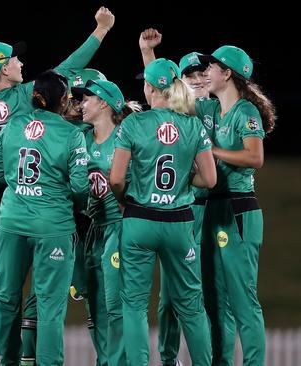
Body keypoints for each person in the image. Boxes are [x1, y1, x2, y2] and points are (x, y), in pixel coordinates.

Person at [0, 7, 115, 366]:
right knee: (8, 292)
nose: (20, 62)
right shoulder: (25, 98)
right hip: (4, 205)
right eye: (14, 58)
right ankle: (10, 360)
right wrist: (101, 31)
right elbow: (70, 66)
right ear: (1, 68)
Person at [0, 69, 89, 366]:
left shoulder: (12, 126)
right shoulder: (72, 134)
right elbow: (80, 188)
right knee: (50, 307)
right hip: (53, 227)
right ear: (62, 102)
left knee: (3, 296)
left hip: (12, 223)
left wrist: (22, 185)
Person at [109, 58, 216, 366]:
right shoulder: (193, 125)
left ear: (149, 88)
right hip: (179, 223)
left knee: (134, 305)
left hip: (140, 219)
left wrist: (124, 196)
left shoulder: (133, 124)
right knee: (191, 306)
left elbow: (116, 178)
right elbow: (209, 179)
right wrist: (184, 179)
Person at [138, 28, 235, 366]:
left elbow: (158, 89)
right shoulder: (188, 111)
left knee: (213, 295)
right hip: (185, 210)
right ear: (179, 81)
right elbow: (158, 86)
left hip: (210, 209)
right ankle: (169, 358)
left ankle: (213, 360)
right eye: (188, 74)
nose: (195, 78)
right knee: (171, 299)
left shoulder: (218, 108)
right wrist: (148, 54)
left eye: (200, 72)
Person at [19, 68, 106, 366]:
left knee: (100, 302)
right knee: (40, 299)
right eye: (74, 97)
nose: (79, 104)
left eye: (87, 97)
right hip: (59, 226)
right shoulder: (56, 132)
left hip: (96, 230)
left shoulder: (117, 133)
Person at [195, 45, 276, 366]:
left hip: (239, 211)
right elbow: (168, 97)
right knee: (215, 302)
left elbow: (255, 157)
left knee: (243, 301)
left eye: (210, 68)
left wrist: (212, 151)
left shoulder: (246, 113)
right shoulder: (211, 110)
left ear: (228, 73)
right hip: (213, 211)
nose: (205, 74)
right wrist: (148, 53)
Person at [70, 79, 141, 366]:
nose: (80, 104)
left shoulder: (127, 137)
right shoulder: (80, 137)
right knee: (95, 306)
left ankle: (120, 362)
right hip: (92, 229)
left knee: (115, 304)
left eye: (86, 99)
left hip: (120, 225)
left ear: (103, 103)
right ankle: (106, 360)